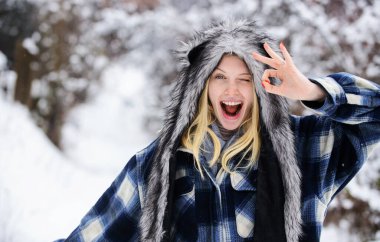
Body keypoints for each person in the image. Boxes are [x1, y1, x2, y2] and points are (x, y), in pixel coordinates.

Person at [58, 19, 380, 242]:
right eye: (219, 77)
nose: (232, 90)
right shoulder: (157, 166)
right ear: (200, 87)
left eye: (245, 79)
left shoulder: (304, 151)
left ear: (261, 88)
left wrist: (310, 90)